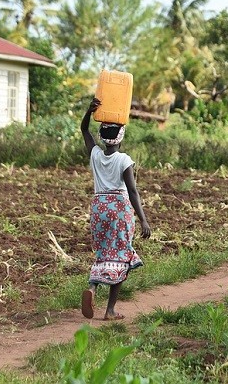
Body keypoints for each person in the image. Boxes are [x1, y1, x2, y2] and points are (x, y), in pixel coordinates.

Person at [80, 97, 151, 320]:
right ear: (121, 137)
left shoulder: (95, 155)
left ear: (102, 136)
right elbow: (132, 191)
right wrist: (143, 219)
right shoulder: (124, 160)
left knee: (102, 254)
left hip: (99, 208)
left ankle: (92, 288)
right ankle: (110, 310)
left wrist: (89, 112)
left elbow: (84, 130)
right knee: (121, 255)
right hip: (119, 209)